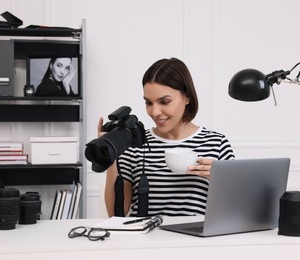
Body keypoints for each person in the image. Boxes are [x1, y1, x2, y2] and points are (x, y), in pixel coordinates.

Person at [98, 57, 235, 217]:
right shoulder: (134, 144)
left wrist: (222, 179)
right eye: (148, 103)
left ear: (187, 97)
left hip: (196, 241)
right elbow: (116, 214)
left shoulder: (216, 144)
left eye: (164, 101)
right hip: (144, 240)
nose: (155, 112)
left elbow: (234, 210)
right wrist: (110, 154)